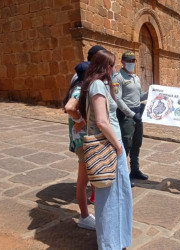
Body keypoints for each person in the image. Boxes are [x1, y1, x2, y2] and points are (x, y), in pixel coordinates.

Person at [79, 49, 132, 249]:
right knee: (112, 198)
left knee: (115, 196)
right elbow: (102, 120)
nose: (114, 68)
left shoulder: (94, 84)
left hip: (109, 146)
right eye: (112, 65)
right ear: (104, 67)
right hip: (109, 148)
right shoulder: (99, 85)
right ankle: (111, 243)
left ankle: (114, 240)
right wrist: (119, 147)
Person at [62, 45, 106, 231]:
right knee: (82, 182)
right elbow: (70, 107)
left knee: (85, 180)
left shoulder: (79, 84)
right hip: (83, 141)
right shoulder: (81, 89)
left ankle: (88, 213)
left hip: (82, 139)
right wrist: (80, 119)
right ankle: (84, 216)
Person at [112, 51, 148, 184]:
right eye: (128, 60)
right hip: (126, 116)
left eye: (133, 60)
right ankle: (121, 175)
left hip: (138, 114)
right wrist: (132, 114)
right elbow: (118, 99)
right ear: (122, 62)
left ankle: (135, 170)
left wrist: (152, 92)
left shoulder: (135, 77)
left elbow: (140, 96)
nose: (131, 62)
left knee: (137, 144)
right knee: (126, 144)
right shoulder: (118, 78)